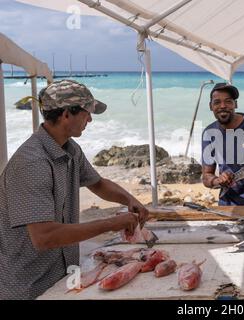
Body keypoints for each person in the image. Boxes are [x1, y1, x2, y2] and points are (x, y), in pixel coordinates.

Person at [0, 79, 152, 299]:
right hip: (28, 285)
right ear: (66, 114)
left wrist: (129, 199)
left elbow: (98, 183)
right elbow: (44, 237)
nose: (90, 119)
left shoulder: (70, 149)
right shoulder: (32, 163)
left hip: (62, 274)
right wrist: (111, 223)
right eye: (87, 112)